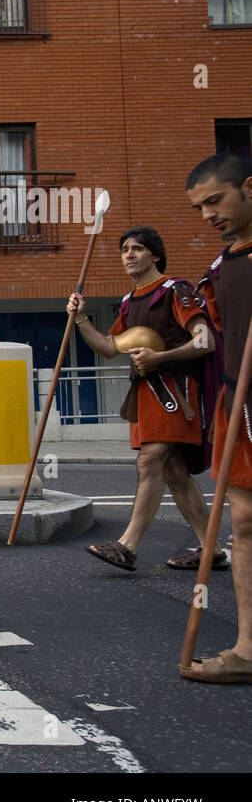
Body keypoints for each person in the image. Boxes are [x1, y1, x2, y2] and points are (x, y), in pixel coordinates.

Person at [70, 227, 216, 573]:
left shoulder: (174, 291)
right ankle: (213, 550)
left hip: (176, 392)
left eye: (137, 248)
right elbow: (108, 348)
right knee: (175, 472)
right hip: (145, 393)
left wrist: (160, 358)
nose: (129, 254)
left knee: (149, 461)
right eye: (124, 249)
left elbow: (205, 339)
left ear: (155, 255)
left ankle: (128, 546)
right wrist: (80, 319)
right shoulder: (127, 303)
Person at [183, 152, 252, 682]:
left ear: (248, 188)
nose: (208, 214)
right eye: (199, 207)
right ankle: (248, 648)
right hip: (241, 402)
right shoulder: (220, 267)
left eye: (215, 200)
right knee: (245, 522)